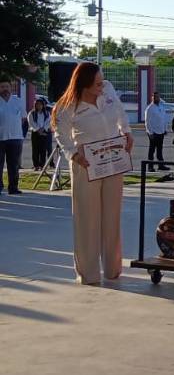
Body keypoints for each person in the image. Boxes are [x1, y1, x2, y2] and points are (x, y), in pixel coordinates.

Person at [52, 62, 133, 285]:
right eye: (96, 84)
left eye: (101, 81)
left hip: (113, 160)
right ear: (84, 84)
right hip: (86, 163)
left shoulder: (108, 89)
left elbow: (120, 112)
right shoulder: (67, 105)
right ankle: (88, 273)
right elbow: (61, 134)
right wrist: (73, 155)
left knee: (112, 216)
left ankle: (112, 268)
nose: (101, 86)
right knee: (87, 218)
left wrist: (126, 132)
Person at [0, 79, 27, 195]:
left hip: (15, 138)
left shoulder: (18, 101)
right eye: (2, 87)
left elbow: (24, 118)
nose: (4, 89)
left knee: (14, 165)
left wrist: (20, 134)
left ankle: (13, 188)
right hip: (0, 138)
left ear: (11, 88)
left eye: (6, 86)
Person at [144, 92, 169, 172]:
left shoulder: (161, 107)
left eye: (158, 97)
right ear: (152, 98)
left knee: (160, 149)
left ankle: (161, 165)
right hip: (153, 132)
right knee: (152, 150)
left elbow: (164, 119)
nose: (157, 98)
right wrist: (150, 132)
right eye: (155, 97)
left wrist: (165, 129)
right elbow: (147, 122)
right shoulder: (149, 108)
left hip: (161, 131)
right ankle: (150, 167)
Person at [28, 97, 52, 170]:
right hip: (35, 133)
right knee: (35, 150)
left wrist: (43, 129)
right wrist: (38, 129)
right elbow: (31, 122)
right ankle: (36, 165)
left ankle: (42, 165)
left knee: (43, 150)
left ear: (43, 105)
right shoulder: (32, 113)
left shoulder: (47, 113)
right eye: (37, 104)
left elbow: (48, 122)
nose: (39, 106)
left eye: (40, 104)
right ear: (35, 105)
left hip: (44, 132)